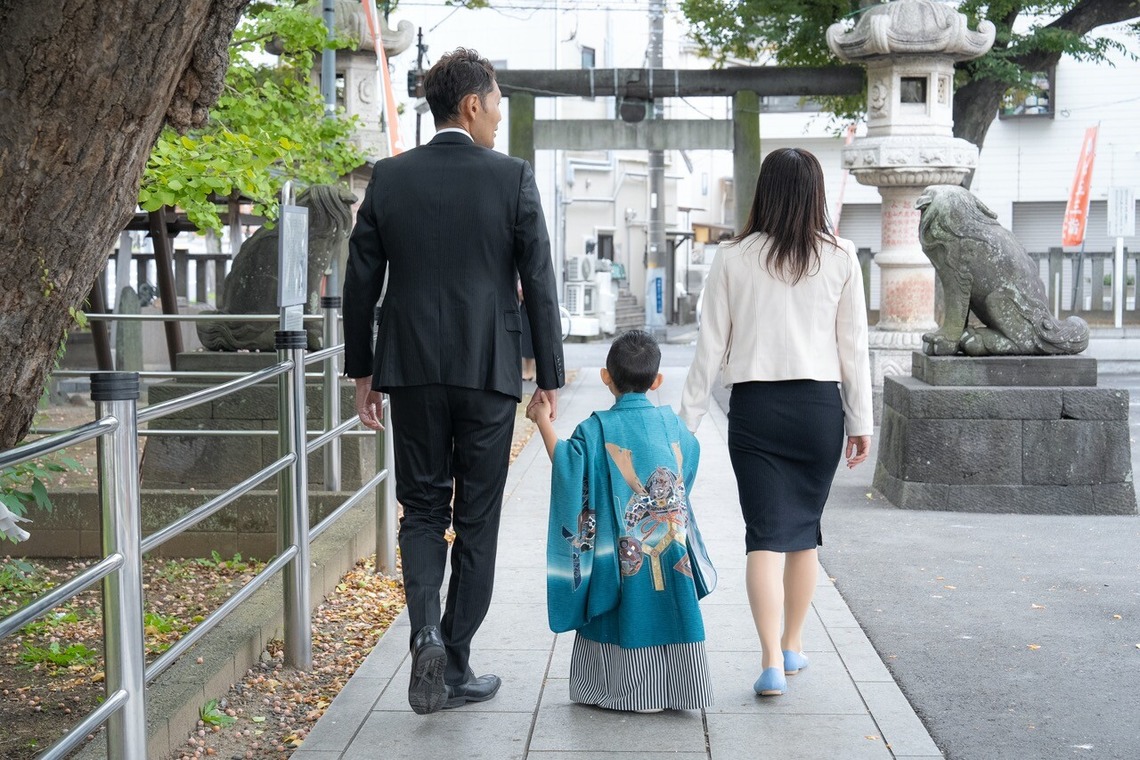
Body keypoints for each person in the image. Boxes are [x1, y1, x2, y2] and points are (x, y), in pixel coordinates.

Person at [342, 48, 565, 715]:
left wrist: (363, 372)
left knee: (422, 509)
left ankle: (426, 636)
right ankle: (457, 661)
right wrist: (547, 377)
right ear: (471, 105)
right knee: (476, 517)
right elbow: (541, 282)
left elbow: (360, 284)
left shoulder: (389, 178)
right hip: (488, 369)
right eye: (497, 105)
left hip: (409, 370)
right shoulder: (512, 178)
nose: (499, 118)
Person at [679, 148, 872, 698]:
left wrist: (684, 425)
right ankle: (793, 646)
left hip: (756, 410)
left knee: (763, 534)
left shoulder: (733, 257)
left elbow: (709, 347)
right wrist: (861, 420)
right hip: (818, 410)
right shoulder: (840, 256)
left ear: (764, 191)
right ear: (814, 194)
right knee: (804, 534)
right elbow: (852, 348)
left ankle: (767, 662)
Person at [528, 330, 716, 712]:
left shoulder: (595, 429)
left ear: (605, 377)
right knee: (672, 609)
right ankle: (679, 689)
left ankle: (619, 690)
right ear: (657, 381)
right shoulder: (672, 425)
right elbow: (689, 462)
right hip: (670, 546)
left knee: (618, 605)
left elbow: (568, 466)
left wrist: (540, 420)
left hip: (619, 550)